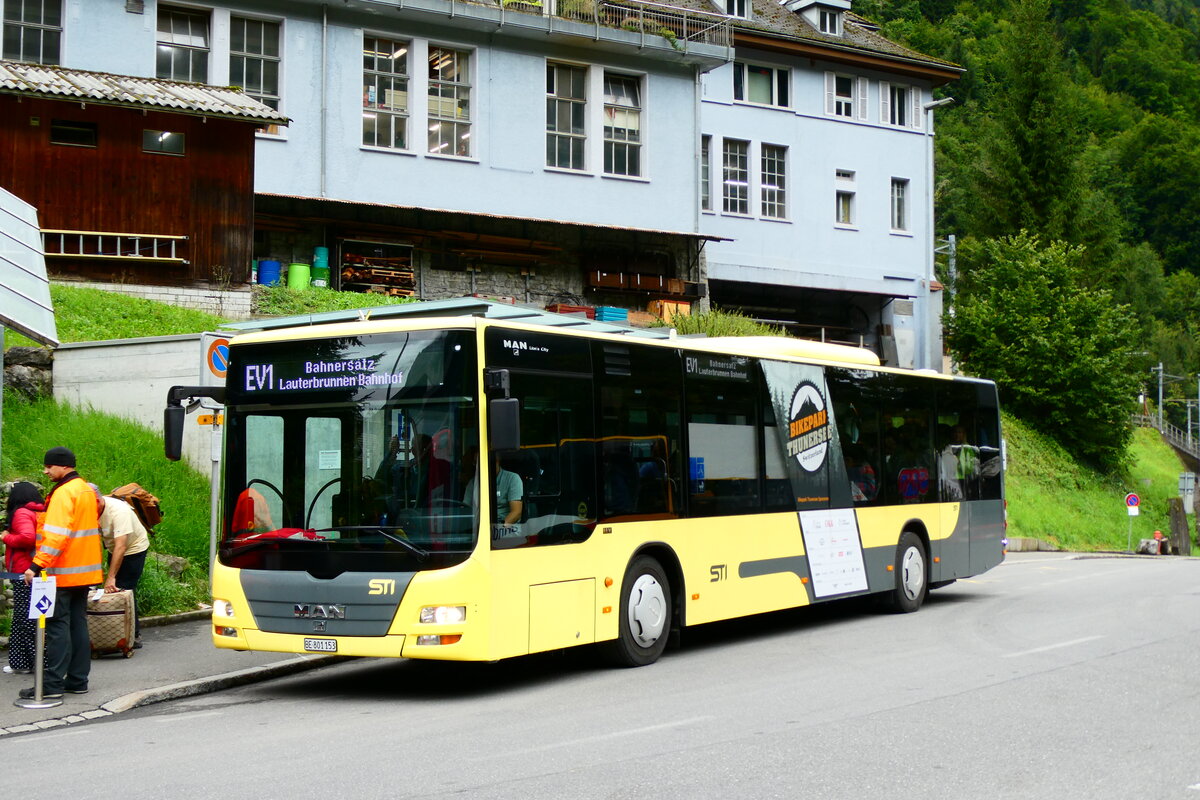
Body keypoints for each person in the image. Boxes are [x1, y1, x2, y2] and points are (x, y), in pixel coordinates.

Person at [19, 447, 103, 701]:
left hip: (62, 573)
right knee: (78, 625)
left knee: (56, 627)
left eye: (49, 466)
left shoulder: (64, 493)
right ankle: (78, 680)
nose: (45, 471)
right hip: (85, 572)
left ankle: (52, 685)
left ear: (63, 466)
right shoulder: (86, 489)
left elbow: (56, 535)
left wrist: (36, 565)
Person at [90, 483, 150, 645]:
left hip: (134, 548)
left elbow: (121, 546)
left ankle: (132, 635)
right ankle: (117, 632)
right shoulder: (91, 509)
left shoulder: (118, 511)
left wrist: (111, 577)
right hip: (113, 547)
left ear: (97, 500)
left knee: (124, 588)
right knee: (117, 587)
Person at [2, 481, 43, 675]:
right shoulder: (38, 512)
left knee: (25, 618)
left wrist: (5, 537)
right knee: (24, 617)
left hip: (24, 572)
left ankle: (32, 662)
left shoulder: (21, 513)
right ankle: (21, 662)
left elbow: (27, 537)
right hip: (36, 569)